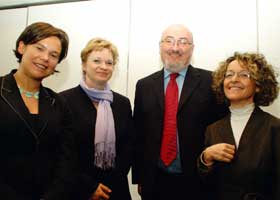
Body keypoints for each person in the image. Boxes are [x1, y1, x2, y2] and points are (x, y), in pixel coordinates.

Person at [132, 24, 227, 200]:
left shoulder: (212, 82)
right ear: (160, 46)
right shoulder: (144, 85)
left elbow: (223, 127)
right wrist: (140, 177)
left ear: (192, 48)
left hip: (199, 180)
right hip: (155, 180)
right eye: (169, 41)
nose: (175, 48)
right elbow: (138, 133)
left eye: (183, 42)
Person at [0, 22, 74, 199]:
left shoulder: (59, 103)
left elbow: (66, 159)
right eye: (39, 48)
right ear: (22, 47)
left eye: (53, 55)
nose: (45, 58)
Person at [198, 52, 280, 200]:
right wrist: (206, 158)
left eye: (244, 75)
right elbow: (205, 186)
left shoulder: (275, 128)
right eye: (229, 75)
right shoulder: (213, 129)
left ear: (258, 85)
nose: (234, 80)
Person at [60, 38, 134, 200]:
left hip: (116, 189)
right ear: (84, 65)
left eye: (109, 62)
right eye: (96, 61)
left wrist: (112, 180)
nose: (103, 66)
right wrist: (89, 187)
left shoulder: (122, 103)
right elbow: (61, 152)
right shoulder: (63, 101)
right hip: (78, 190)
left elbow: (128, 146)